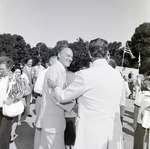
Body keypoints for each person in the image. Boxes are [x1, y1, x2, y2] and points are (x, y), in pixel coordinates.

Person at [49, 38, 124, 149]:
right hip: (113, 131)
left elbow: (62, 96)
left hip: (92, 133)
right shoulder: (117, 74)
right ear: (106, 53)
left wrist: (55, 86)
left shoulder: (85, 75)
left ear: (89, 53)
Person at [37, 47, 73, 149]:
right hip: (52, 122)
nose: (70, 59)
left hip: (54, 121)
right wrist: (72, 106)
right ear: (59, 55)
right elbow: (53, 96)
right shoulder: (54, 70)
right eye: (68, 55)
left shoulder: (60, 70)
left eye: (72, 57)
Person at [33, 55, 57, 149]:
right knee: (40, 126)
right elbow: (36, 88)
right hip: (42, 99)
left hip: (51, 101)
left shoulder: (57, 73)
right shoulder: (43, 72)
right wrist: (48, 91)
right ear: (51, 63)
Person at [0, 56, 24, 149]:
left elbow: (21, 91)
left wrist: (12, 99)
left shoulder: (14, 78)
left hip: (7, 109)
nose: (0, 71)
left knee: (3, 133)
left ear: (9, 68)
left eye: (2, 69)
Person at [133, 73, 150, 149]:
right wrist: (134, 122)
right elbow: (136, 107)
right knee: (138, 142)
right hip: (141, 120)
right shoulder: (142, 92)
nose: (146, 81)